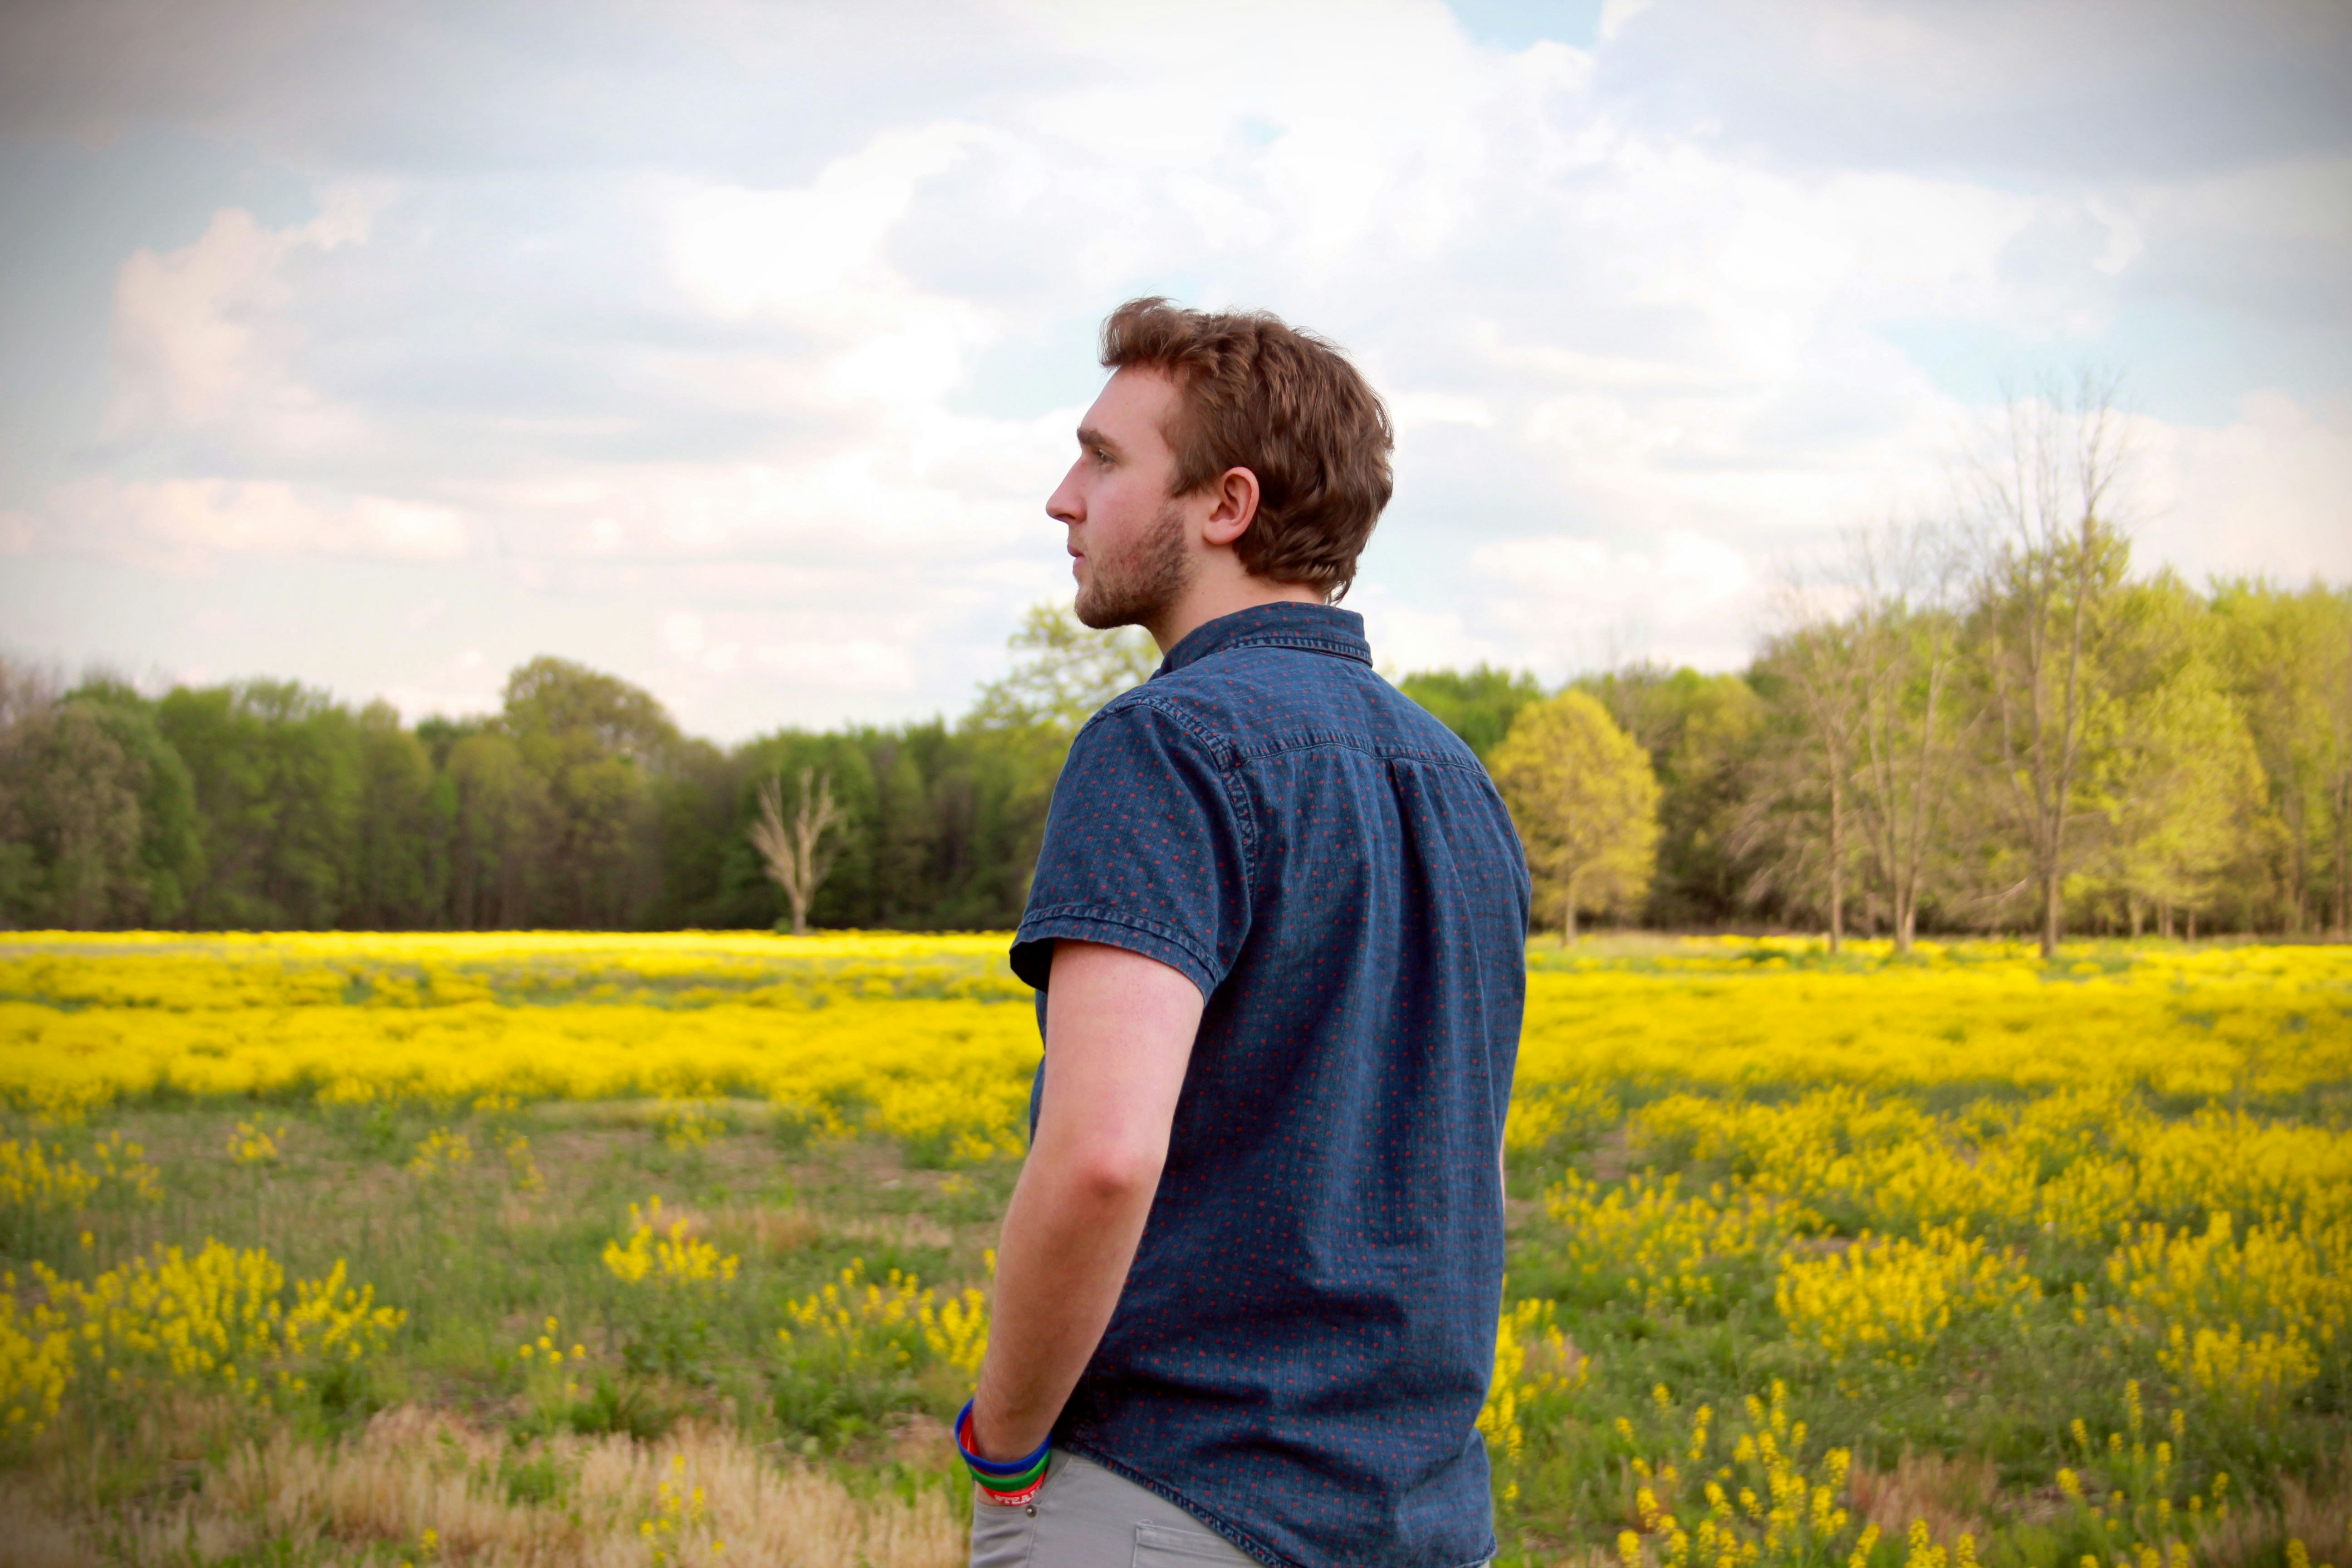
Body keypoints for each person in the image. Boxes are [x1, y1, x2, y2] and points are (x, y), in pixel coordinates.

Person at [958, 298, 1531, 1568]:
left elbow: (1103, 1155)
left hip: (1183, 1504)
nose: (1063, 498)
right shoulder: (1456, 780)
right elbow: (1464, 1168)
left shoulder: (1161, 746)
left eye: (1105, 459)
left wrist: (1001, 1452)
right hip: (1425, 1522)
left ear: (1224, 507)